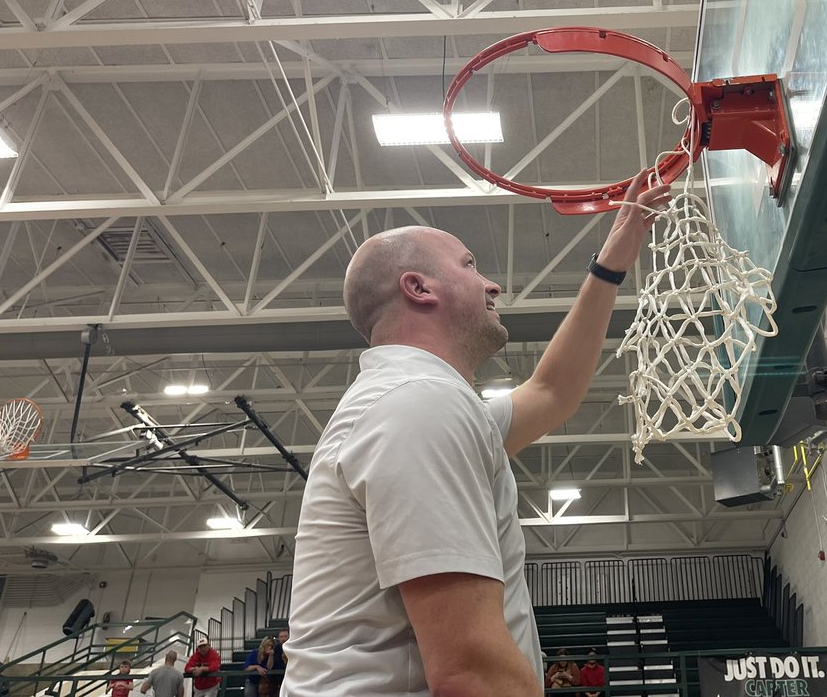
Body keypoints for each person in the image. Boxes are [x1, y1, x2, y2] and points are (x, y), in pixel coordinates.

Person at [285, 172, 670, 697]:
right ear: (419, 288)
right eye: (469, 265)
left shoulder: (425, 403)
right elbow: (469, 669)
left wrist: (610, 265)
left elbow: (552, 392)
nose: (492, 284)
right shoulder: (419, 405)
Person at [268, 629, 289, 696]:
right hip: (278, 679)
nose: (283, 639)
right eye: (281, 637)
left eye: (285, 636)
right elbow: (270, 667)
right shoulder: (276, 648)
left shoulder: (294, 647)